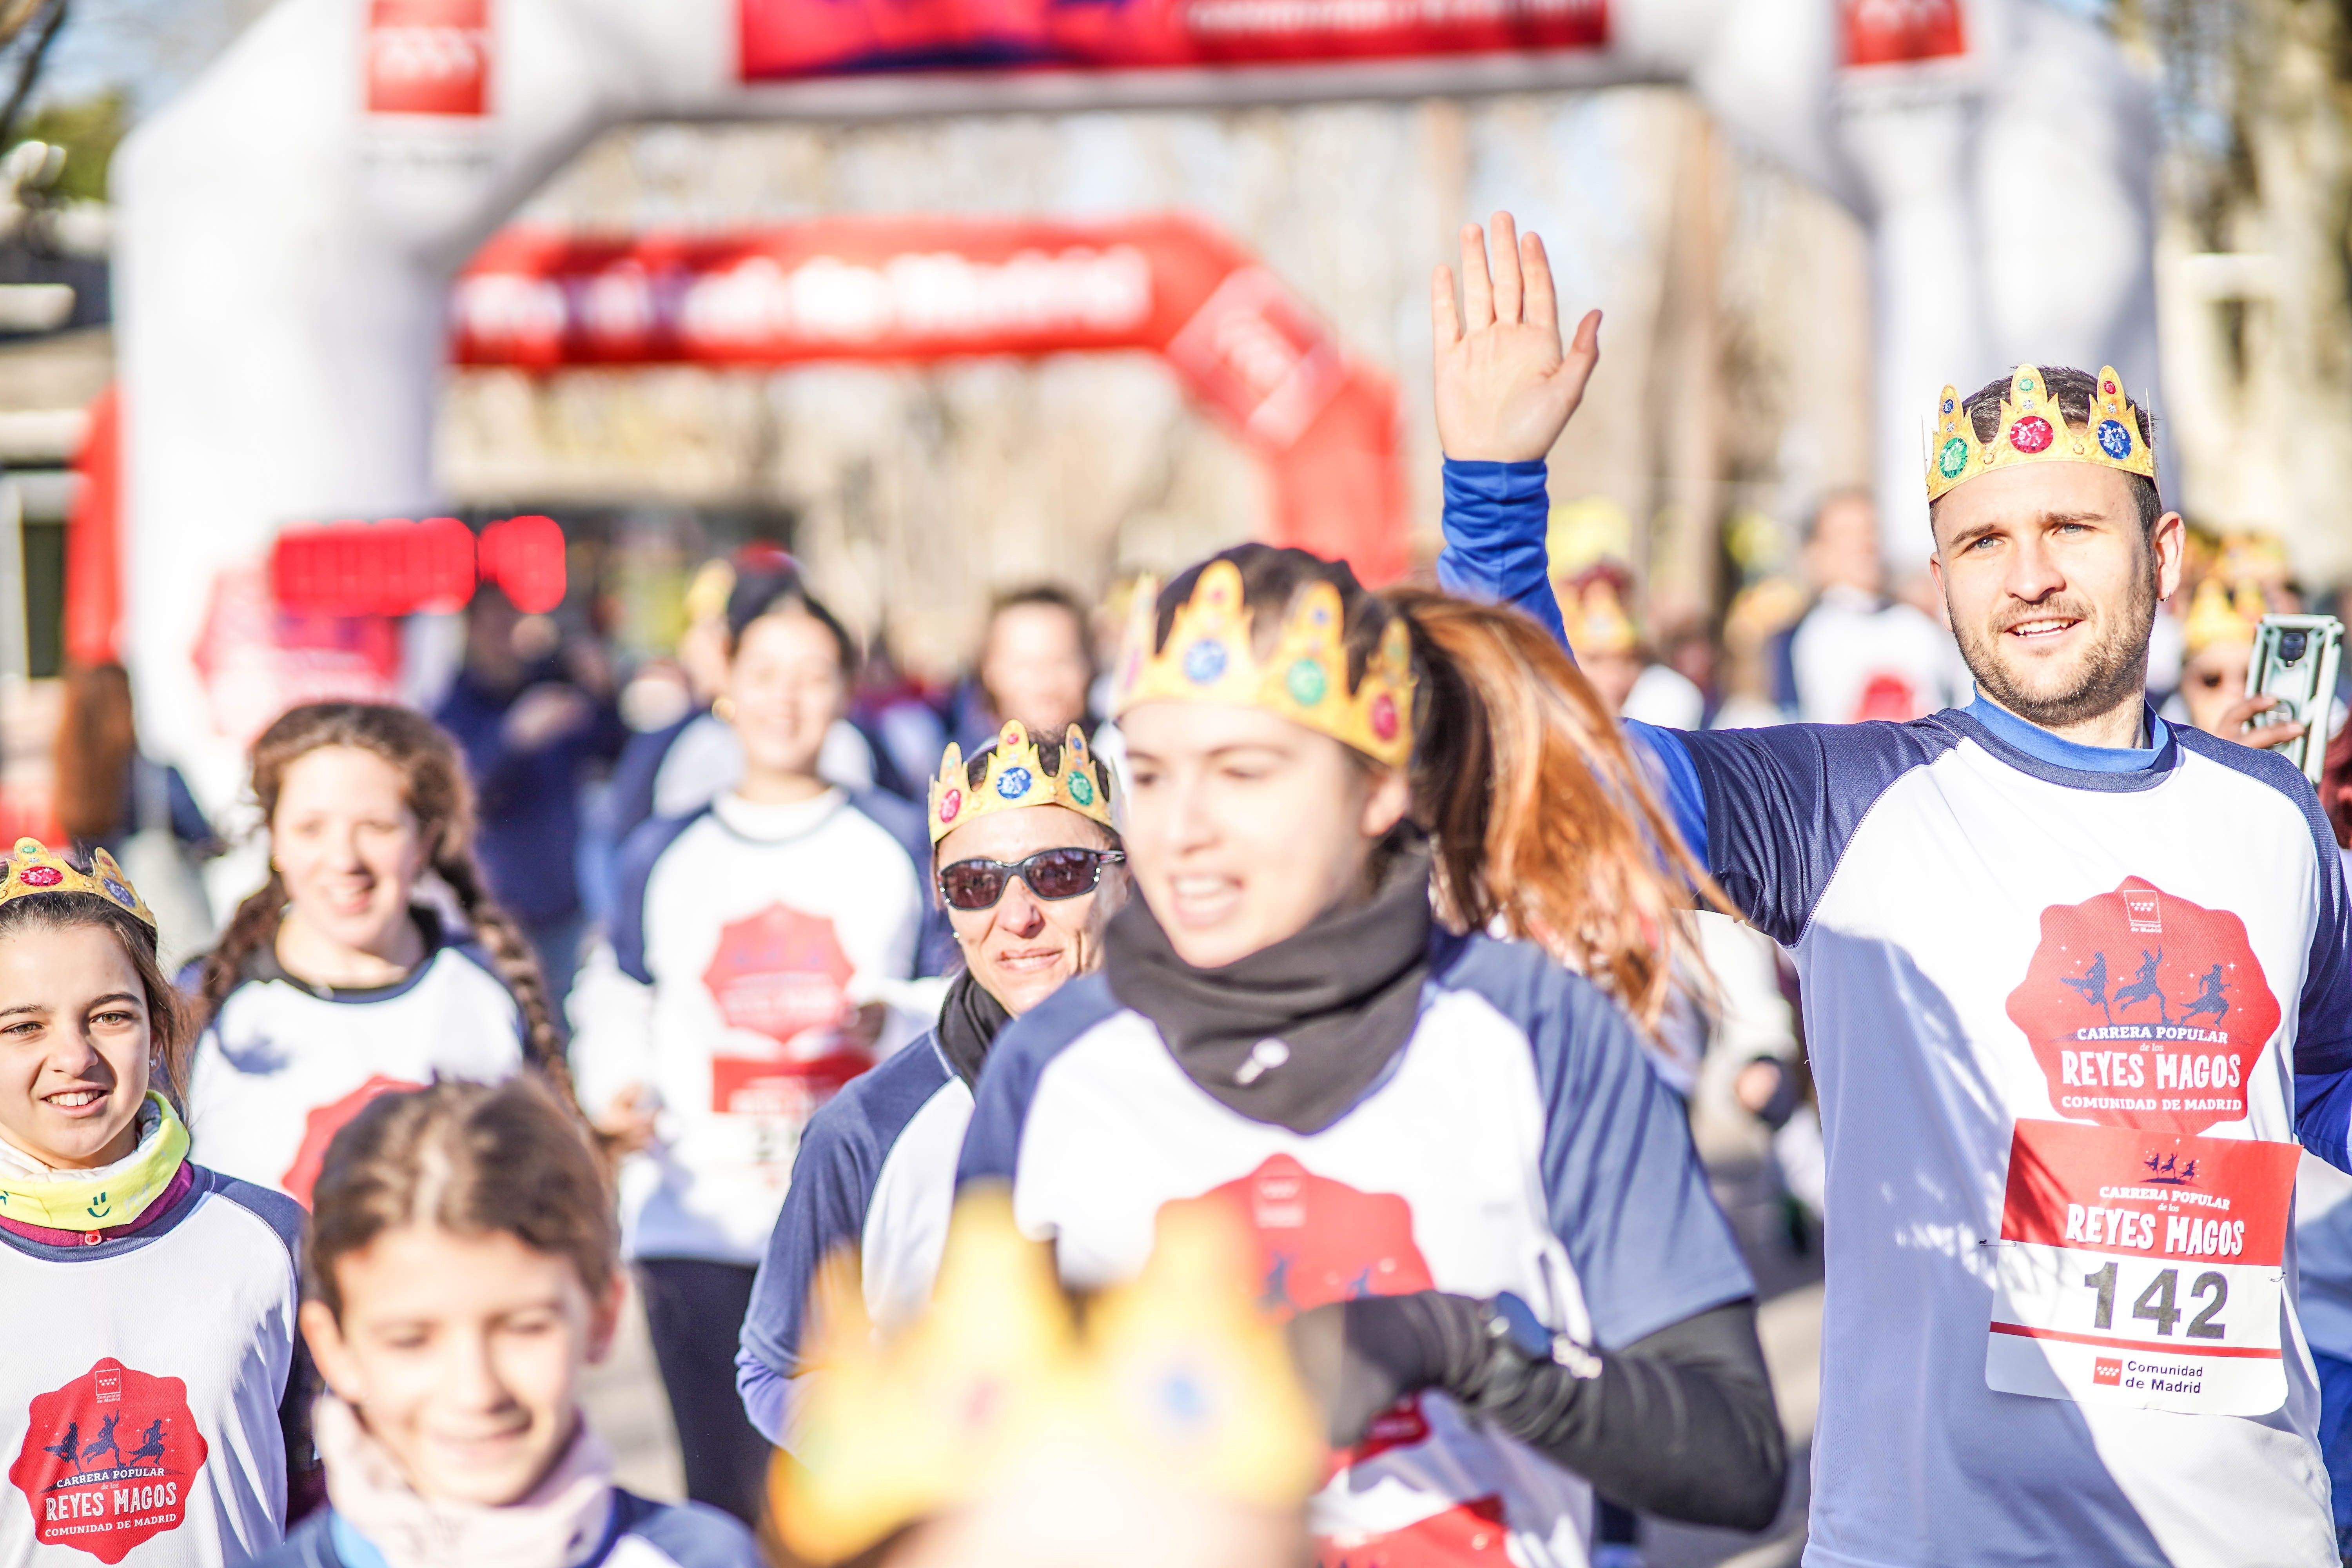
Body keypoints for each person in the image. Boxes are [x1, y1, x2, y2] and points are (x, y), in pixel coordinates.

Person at [1430, 211, 2352, 1566]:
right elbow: (1542, 780)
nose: (2029, 575)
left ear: (2160, 559)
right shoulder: (1842, 800)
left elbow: (2324, 1087)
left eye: (2069, 529)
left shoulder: (2273, 816)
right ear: (1937, 586)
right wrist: (1494, 493)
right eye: (1983, 543)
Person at [958, 545, 1788, 1566]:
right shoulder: (1054, 1064)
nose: (1181, 832)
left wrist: (1457, 1345)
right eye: (1155, 774)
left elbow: (1738, 1459)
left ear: (1377, 790)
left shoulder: (1533, 1029)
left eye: (1244, 772)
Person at [568, 570, 938, 1527]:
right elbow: (618, 988)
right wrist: (618, 1086)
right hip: (703, 1221)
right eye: (764, 671)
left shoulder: (899, 841)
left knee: (860, 1501)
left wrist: (887, 1015)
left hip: (855, 1224)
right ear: (724, 682)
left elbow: (956, 997)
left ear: (847, 691)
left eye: (813, 674)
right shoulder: (665, 848)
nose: (787, 698)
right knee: (724, 1503)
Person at [735, 720, 1125, 1448]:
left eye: (1061, 871)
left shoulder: (1213, 1080)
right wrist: (906, 1460)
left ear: (1124, 876)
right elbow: (775, 1369)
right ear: (944, 905)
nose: (1018, 917)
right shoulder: (869, 1127)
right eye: (975, 885)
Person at [251, 1078, 764, 1568]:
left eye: (525, 1328)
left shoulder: (711, 1558)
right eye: (411, 1341)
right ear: (334, 1348)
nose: (476, 1393)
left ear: (603, 1317)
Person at [0, 838, 312, 1567]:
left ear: (158, 1027)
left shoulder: (271, 1239)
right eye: (23, 1027)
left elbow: (337, 1499)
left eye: (110, 1016)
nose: (74, 1056)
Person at [185, 703, 568, 1209]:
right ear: (274, 839)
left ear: (425, 842)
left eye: (377, 827)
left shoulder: (485, 990)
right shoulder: (203, 1001)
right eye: (311, 829)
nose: (345, 860)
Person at [432, 588, 628, 1005]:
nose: (504, 634)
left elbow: (612, 751)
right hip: (493, 911)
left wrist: (604, 691)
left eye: (512, 621)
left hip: (563, 907)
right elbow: (459, 793)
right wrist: (513, 739)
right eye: (494, 622)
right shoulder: (455, 707)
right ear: (471, 629)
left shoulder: (549, 686)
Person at [1770, 488, 1969, 723]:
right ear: (1816, 553)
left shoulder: (1920, 627)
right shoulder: (1794, 640)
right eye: (1846, 534)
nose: (1864, 544)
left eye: (1869, 530)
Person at [942, 585, 1097, 754]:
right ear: (989, 671)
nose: (1045, 683)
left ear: (1088, 665)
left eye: (1062, 662)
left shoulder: (1119, 759)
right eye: (1025, 665)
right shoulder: (965, 771)